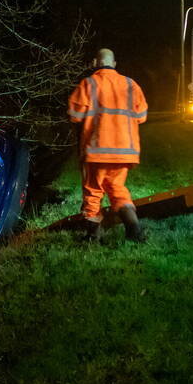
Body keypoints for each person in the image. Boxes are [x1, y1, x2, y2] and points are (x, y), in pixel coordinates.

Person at [67, 48, 148, 241]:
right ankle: (134, 230)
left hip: (97, 150)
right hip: (125, 151)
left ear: (95, 62)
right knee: (117, 188)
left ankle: (92, 236)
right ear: (115, 64)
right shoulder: (131, 85)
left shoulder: (89, 84)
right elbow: (141, 116)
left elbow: (74, 115)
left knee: (93, 191)